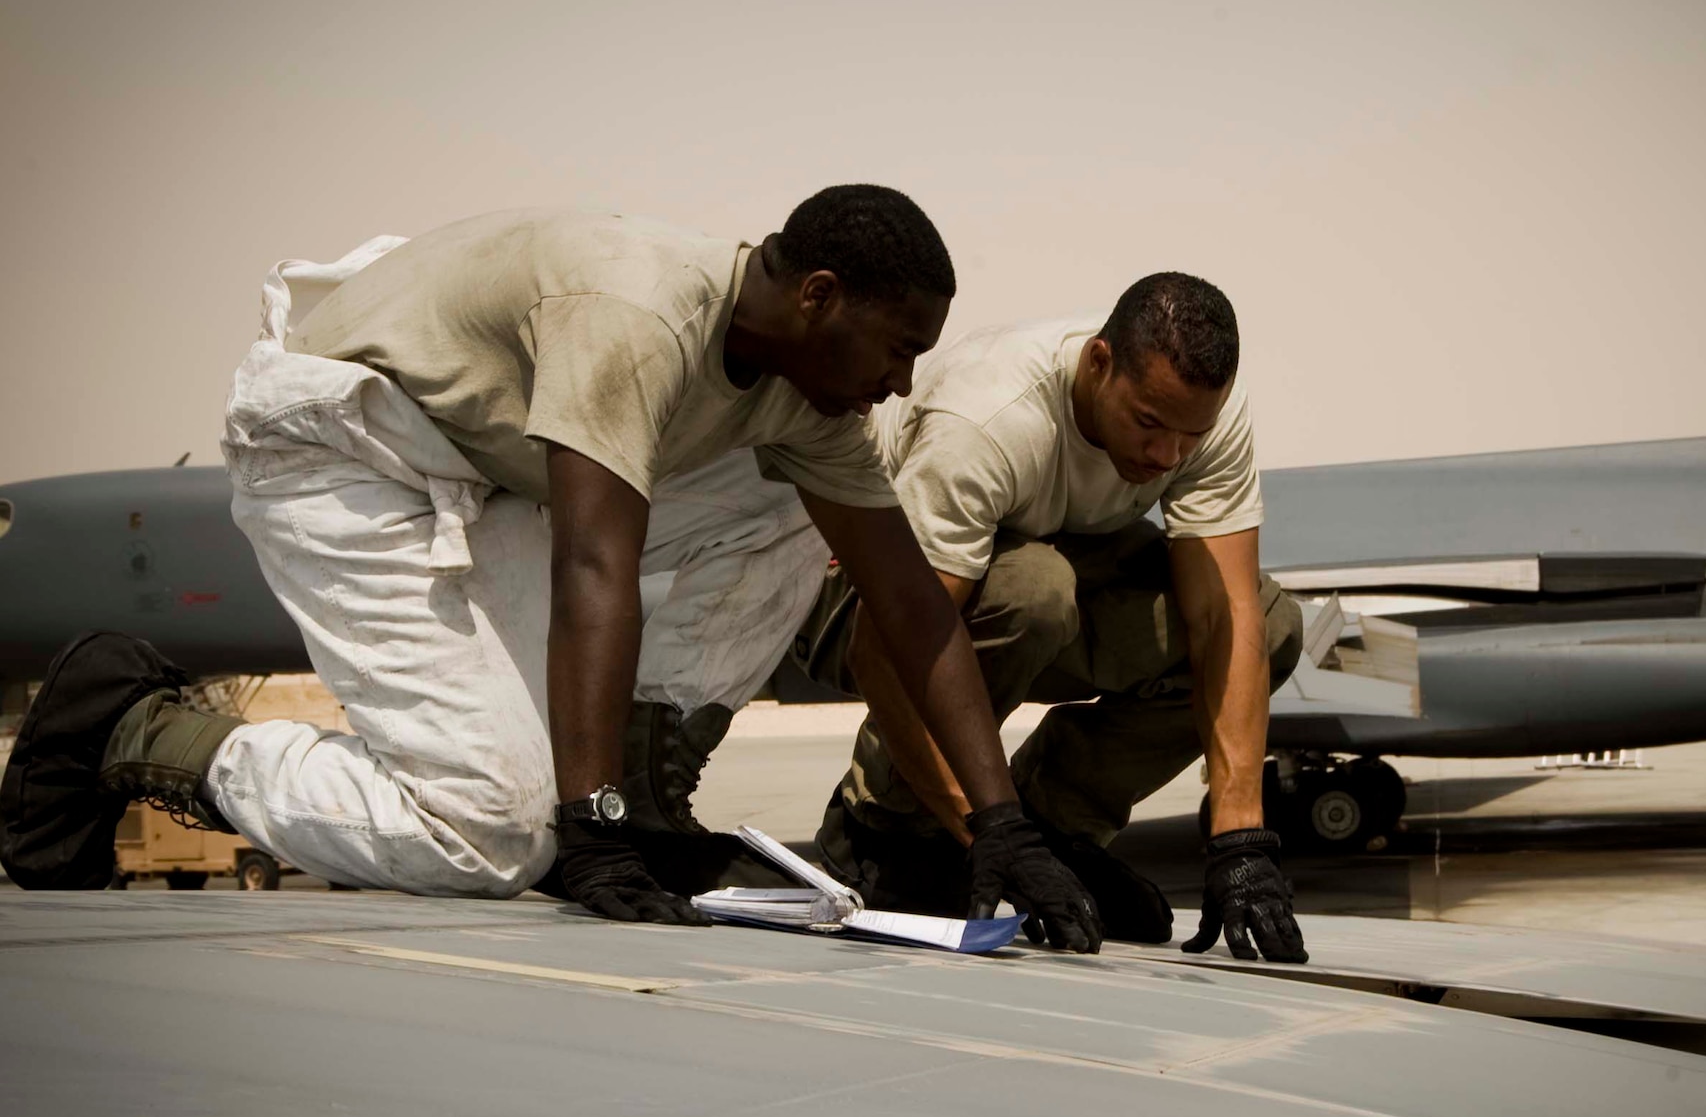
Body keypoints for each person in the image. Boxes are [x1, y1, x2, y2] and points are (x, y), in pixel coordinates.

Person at [0, 188, 1103, 950]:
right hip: (348, 452)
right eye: (897, 348)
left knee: (802, 495)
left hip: (489, 475)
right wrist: (586, 826)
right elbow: (592, 568)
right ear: (816, 295)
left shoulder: (799, 386)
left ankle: (641, 785)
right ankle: (140, 726)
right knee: (494, 835)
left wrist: (998, 821)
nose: (903, 382)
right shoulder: (633, 317)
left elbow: (907, 598)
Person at [795, 272, 1309, 962]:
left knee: (1270, 624)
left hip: (1032, 571)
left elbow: (1226, 620)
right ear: (1098, 363)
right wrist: (985, 833)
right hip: (857, 596)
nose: (1166, 457)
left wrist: (1238, 838)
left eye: (1191, 436)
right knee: (1035, 591)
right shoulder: (987, 420)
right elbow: (883, 648)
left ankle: (1053, 825)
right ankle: (891, 827)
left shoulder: (1194, 413)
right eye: (1148, 424)